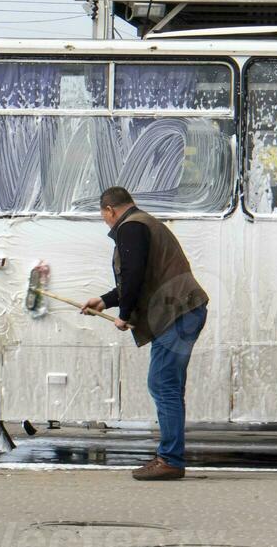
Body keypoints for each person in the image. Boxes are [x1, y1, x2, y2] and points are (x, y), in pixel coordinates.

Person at [83, 186, 209, 481]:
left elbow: (134, 273)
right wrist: (105, 301)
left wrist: (123, 315)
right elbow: (137, 277)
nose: (106, 222)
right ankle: (169, 456)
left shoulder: (131, 228)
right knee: (167, 385)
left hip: (178, 313)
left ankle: (170, 460)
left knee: (162, 383)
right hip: (184, 311)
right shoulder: (143, 223)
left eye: (104, 217)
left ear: (109, 210)